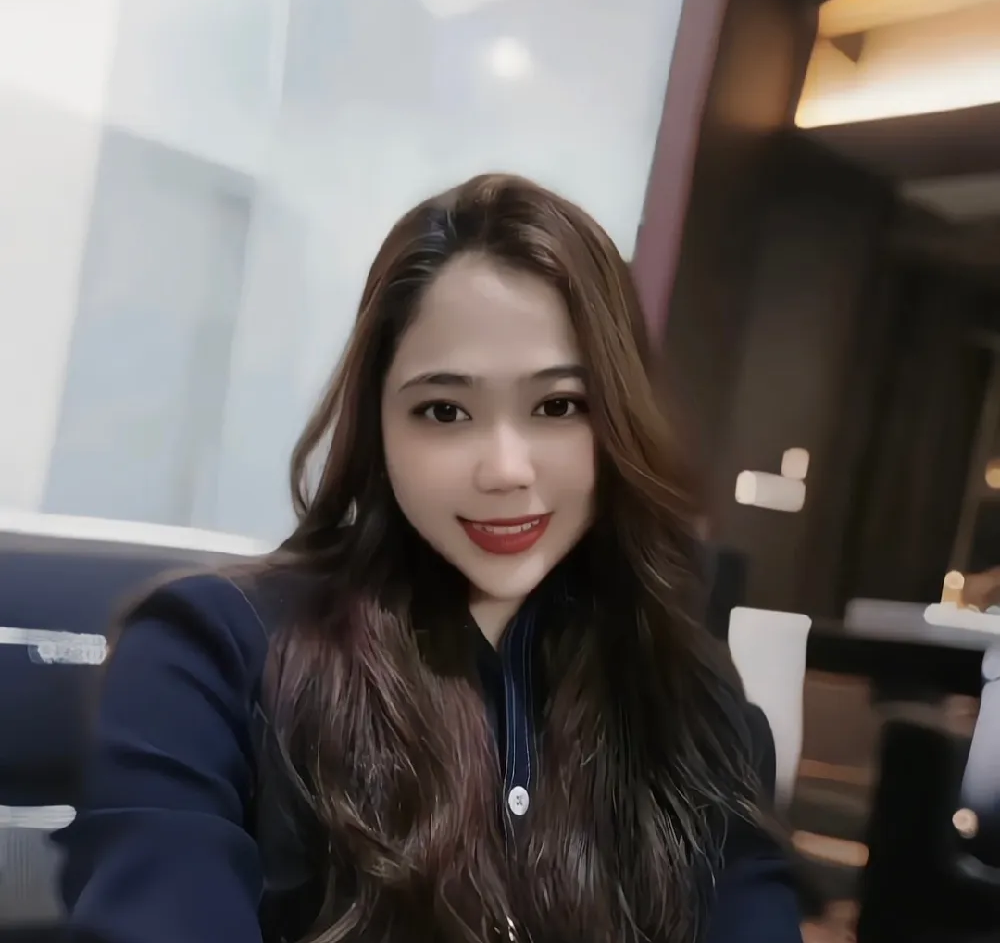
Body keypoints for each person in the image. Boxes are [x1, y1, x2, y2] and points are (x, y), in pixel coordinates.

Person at [58, 174, 802, 942]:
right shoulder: (209, 654)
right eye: (444, 411)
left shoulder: (688, 697)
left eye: (558, 406)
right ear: (377, 420)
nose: (505, 470)